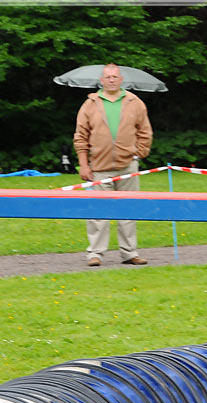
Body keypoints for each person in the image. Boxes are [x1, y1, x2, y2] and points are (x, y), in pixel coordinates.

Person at [73, 63, 153, 266]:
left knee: (128, 210)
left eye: (114, 76)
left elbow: (145, 131)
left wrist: (139, 153)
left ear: (121, 80)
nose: (111, 79)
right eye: (107, 76)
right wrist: (83, 164)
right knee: (97, 212)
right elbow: (80, 137)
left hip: (128, 166)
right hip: (98, 168)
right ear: (101, 80)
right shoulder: (89, 104)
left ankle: (129, 253)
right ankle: (95, 254)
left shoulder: (135, 102)